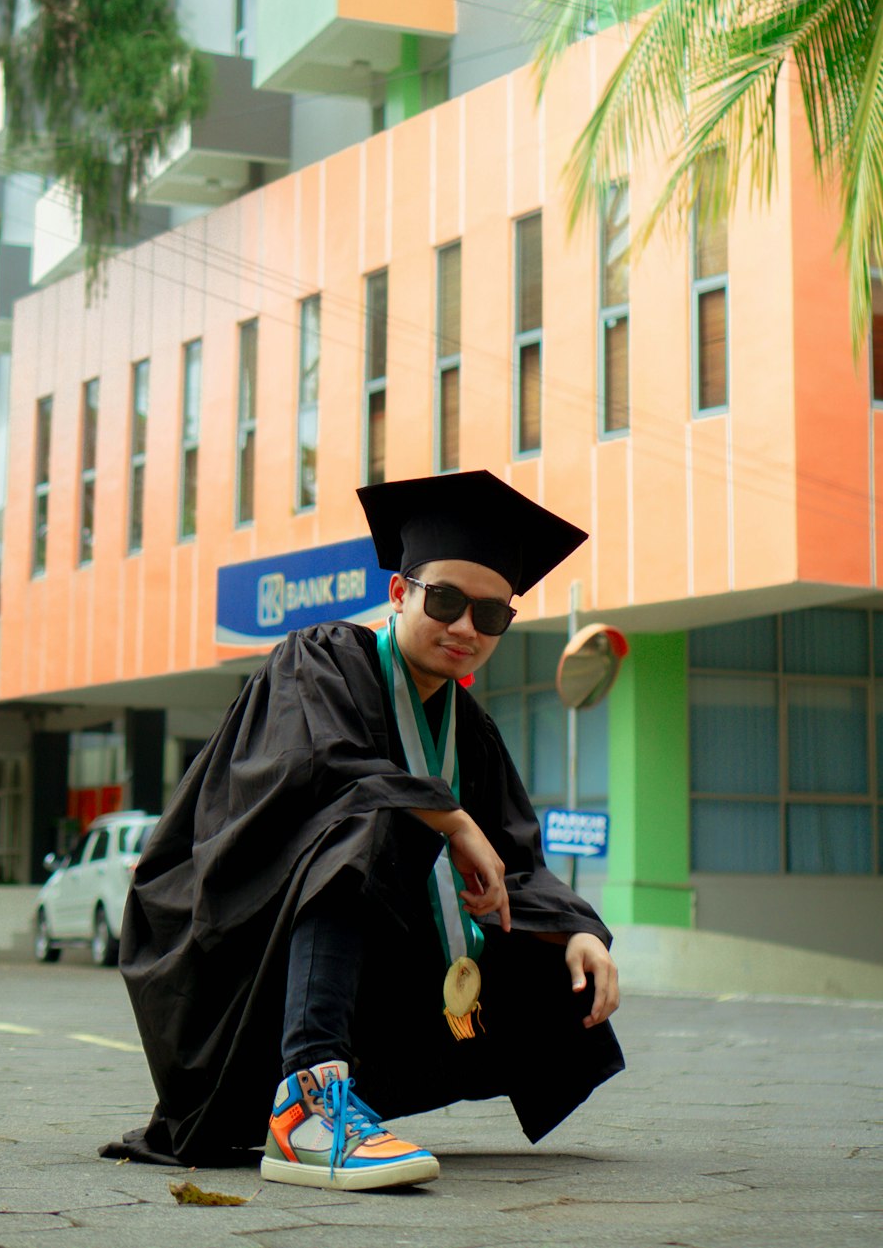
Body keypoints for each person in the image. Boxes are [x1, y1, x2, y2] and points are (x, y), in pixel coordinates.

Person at [101, 470, 623, 1190]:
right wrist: (447, 813)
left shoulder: (469, 729)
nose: (467, 627)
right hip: (231, 941)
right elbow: (317, 769)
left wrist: (579, 929)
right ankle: (308, 1107)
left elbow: (516, 856)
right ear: (400, 592)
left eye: (491, 614)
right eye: (445, 600)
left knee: (543, 925)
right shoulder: (318, 658)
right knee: (366, 816)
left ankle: (349, 1088)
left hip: (364, 973)